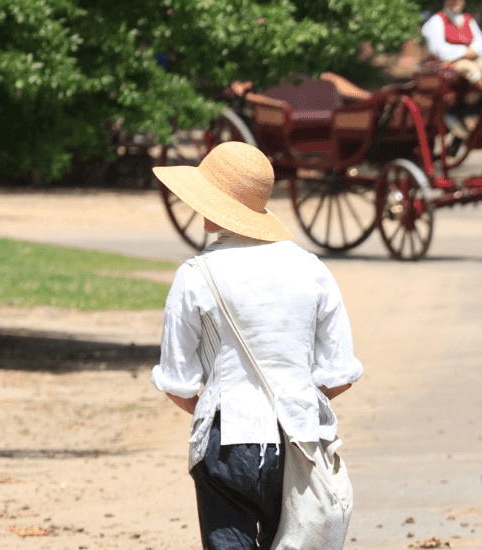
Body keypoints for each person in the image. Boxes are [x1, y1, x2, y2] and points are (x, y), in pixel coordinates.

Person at [151, 142, 364, 550]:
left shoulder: (196, 275)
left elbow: (176, 383)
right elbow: (340, 375)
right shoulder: (312, 269)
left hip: (226, 444)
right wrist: (297, 403)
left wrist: (213, 413)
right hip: (299, 439)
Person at [420, 0, 482, 96]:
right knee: (472, 68)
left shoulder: (468, 19)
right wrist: (463, 51)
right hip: (448, 62)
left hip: (472, 58)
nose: (457, 2)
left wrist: (473, 50)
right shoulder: (437, 20)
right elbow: (438, 48)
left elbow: (481, 42)